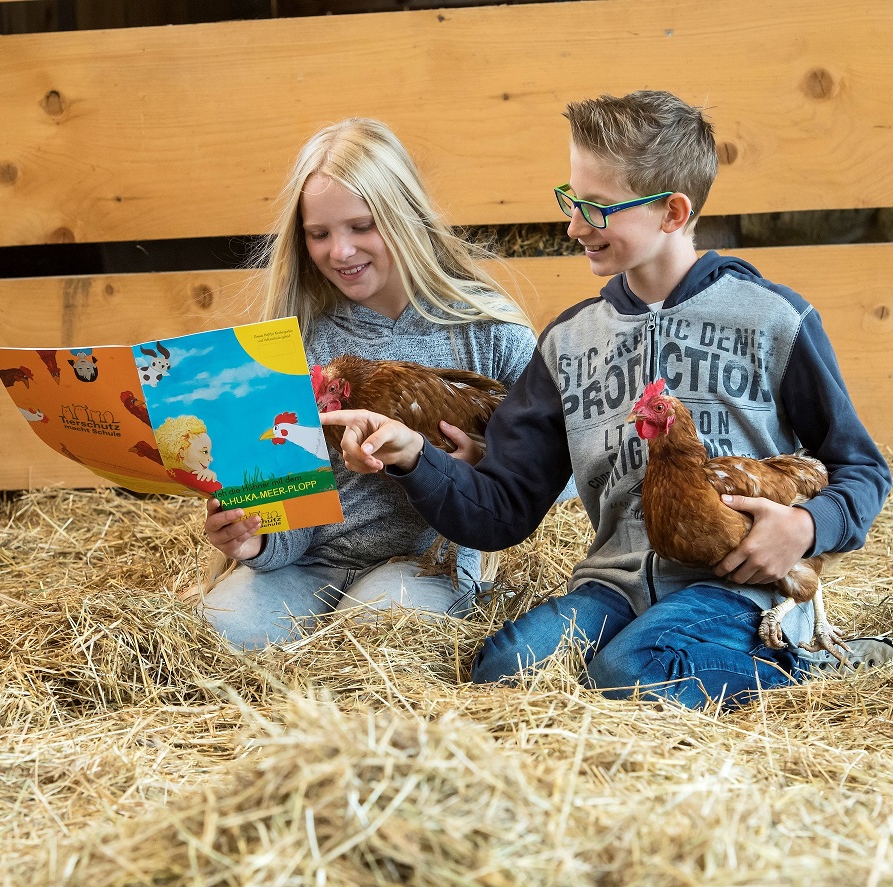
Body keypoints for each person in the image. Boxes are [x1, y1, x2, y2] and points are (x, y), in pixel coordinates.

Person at [322, 90, 893, 710]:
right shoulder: (568, 343)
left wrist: (807, 527)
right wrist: (414, 459)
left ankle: (809, 665)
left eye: (596, 207)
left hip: (739, 585)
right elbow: (502, 511)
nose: (573, 226)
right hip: (616, 584)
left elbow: (863, 467)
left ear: (672, 212)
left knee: (630, 671)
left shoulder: (772, 319)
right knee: (503, 669)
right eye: (571, 201)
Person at [201, 117, 538, 650]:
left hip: (426, 561)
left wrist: (476, 462)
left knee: (371, 646)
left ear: (405, 217)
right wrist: (255, 540)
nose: (340, 251)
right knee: (218, 636)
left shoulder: (487, 329)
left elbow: (558, 470)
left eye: (362, 226)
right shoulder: (296, 338)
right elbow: (287, 508)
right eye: (319, 233)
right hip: (308, 561)